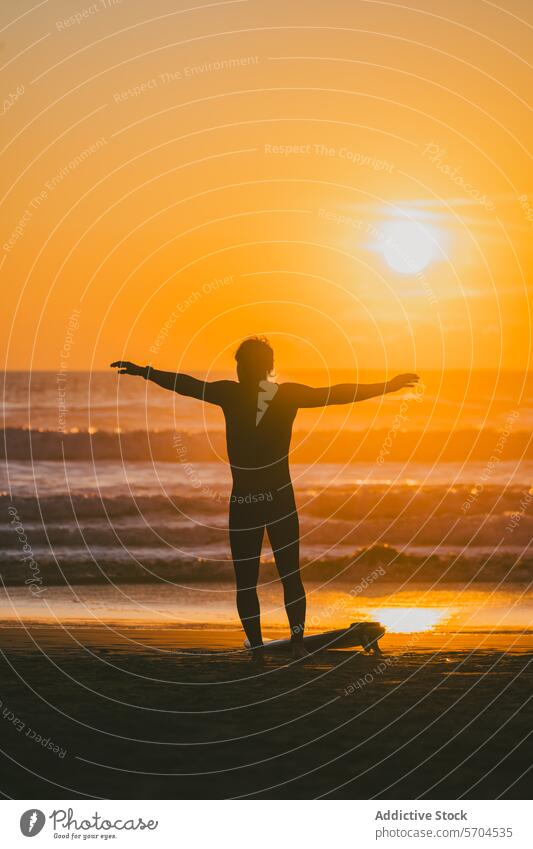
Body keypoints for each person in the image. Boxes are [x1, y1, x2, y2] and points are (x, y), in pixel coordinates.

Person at [111, 339, 418, 661]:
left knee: (279, 576)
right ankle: (269, 645)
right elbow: (187, 385)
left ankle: (274, 646)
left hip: (255, 499)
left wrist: (386, 387)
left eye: (247, 365)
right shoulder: (276, 395)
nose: (242, 370)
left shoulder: (241, 394)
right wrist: (147, 372)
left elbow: (337, 393)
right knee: (258, 578)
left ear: (263, 368)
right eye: (241, 365)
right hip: (269, 499)